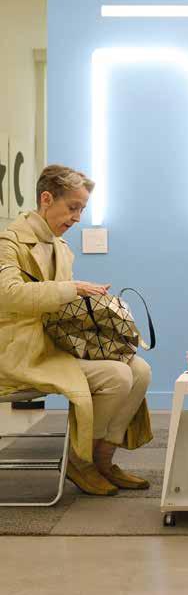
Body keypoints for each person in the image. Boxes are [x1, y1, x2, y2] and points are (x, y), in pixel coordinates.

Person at [0, 164, 153, 495]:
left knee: (139, 369)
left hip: (54, 346)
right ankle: (79, 461)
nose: (77, 217)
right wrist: (73, 289)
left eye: (82, 209)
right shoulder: (7, 242)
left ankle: (103, 458)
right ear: (46, 199)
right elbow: (7, 294)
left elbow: (59, 306)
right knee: (117, 375)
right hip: (19, 352)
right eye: (73, 207)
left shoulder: (61, 248)